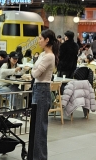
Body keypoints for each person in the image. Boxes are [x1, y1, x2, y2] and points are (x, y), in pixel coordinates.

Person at [31, 30, 59, 160]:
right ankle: (35, 155)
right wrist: (34, 71)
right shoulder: (43, 54)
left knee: (40, 128)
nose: (39, 40)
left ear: (47, 40)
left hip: (42, 89)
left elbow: (35, 73)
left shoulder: (49, 56)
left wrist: (33, 71)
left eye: (40, 38)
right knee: (35, 126)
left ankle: (40, 157)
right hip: (37, 88)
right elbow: (35, 71)